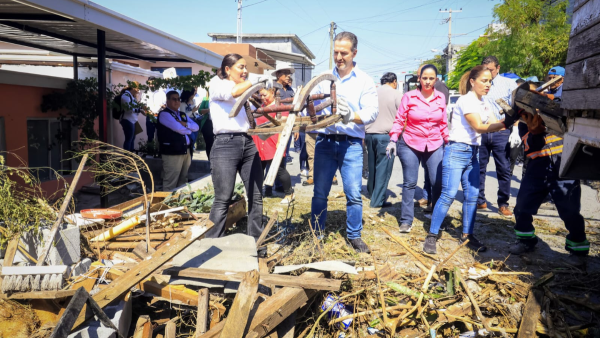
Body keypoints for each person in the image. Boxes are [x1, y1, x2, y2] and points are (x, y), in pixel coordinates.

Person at [423, 65, 519, 254]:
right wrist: (507, 122)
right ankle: (432, 235)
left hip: (473, 152)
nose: (488, 85)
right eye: (484, 81)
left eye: (490, 81)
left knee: (472, 196)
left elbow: (494, 124)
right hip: (457, 150)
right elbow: (479, 127)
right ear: (472, 82)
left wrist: (512, 117)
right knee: (449, 194)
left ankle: (468, 235)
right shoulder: (467, 101)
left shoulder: (484, 102)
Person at [308, 31, 378, 253]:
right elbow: (312, 105)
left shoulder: (365, 80)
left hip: (352, 144)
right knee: (320, 192)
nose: (339, 57)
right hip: (326, 142)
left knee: (354, 194)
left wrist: (352, 115)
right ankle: (317, 235)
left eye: (344, 53)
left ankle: (354, 235)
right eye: (336, 52)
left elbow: (372, 112)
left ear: (354, 53)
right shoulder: (324, 77)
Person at [509, 112, 589, 265]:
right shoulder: (524, 122)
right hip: (537, 168)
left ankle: (578, 248)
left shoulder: (560, 115)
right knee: (522, 206)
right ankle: (526, 240)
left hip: (564, 165)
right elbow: (530, 147)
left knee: (571, 210)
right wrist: (535, 132)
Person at [206, 53, 264, 243]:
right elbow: (234, 92)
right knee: (223, 198)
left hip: (247, 143)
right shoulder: (217, 84)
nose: (245, 71)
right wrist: (256, 81)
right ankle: (213, 244)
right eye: (241, 67)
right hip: (225, 144)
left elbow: (254, 111)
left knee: (256, 196)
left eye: (246, 67)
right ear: (227, 69)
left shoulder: (244, 90)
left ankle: (256, 242)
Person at [387, 65, 448, 232]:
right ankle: (406, 219)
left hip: (434, 143)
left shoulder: (440, 97)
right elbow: (400, 120)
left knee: (437, 182)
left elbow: (443, 122)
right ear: (419, 79)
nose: (427, 81)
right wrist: (393, 139)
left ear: (436, 79)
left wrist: (448, 141)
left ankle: (437, 218)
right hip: (410, 143)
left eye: (431, 78)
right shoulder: (409, 97)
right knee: (410, 183)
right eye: (424, 78)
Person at [478, 56, 518, 217]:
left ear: (498, 68)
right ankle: (480, 199)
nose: (488, 73)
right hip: (482, 131)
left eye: (491, 70)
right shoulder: (477, 83)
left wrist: (515, 130)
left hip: (501, 131)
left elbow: (516, 109)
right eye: (485, 70)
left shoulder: (509, 85)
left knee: (503, 169)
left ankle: (503, 203)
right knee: (479, 167)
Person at [252, 87, 295, 204]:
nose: (262, 98)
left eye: (264, 95)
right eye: (261, 96)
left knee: (279, 169)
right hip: (260, 142)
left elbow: (285, 123)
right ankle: (258, 194)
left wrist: (280, 142)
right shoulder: (261, 107)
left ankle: (289, 193)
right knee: (258, 169)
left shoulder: (279, 106)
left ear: (272, 92)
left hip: (273, 141)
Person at [365, 72, 401, 208]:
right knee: (383, 169)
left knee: (373, 166)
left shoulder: (373, 92)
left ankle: (372, 192)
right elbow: (403, 113)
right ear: (394, 81)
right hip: (385, 137)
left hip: (369, 134)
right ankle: (377, 201)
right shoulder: (396, 93)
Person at [157, 91, 199, 191]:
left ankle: (180, 203)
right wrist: (188, 129)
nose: (177, 101)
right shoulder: (164, 114)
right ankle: (167, 204)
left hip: (185, 150)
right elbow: (178, 129)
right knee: (170, 180)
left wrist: (186, 125)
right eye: (173, 99)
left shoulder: (182, 115)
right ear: (167, 101)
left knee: (183, 179)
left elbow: (196, 127)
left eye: (178, 99)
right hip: (172, 152)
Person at [120, 85, 142, 152]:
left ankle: (131, 154)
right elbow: (128, 109)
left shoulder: (132, 97)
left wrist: (140, 109)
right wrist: (138, 110)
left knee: (132, 139)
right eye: (138, 89)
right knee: (129, 139)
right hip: (127, 120)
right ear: (134, 88)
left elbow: (135, 108)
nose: (138, 92)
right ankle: (127, 157)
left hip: (133, 120)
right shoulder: (126, 96)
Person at [179, 89, 200, 159]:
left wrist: (195, 110)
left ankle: (190, 156)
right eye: (193, 94)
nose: (194, 96)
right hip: (187, 122)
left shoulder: (193, 101)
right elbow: (183, 115)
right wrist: (192, 111)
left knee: (193, 140)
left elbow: (193, 112)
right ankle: (187, 156)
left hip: (194, 121)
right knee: (191, 138)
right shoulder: (182, 103)